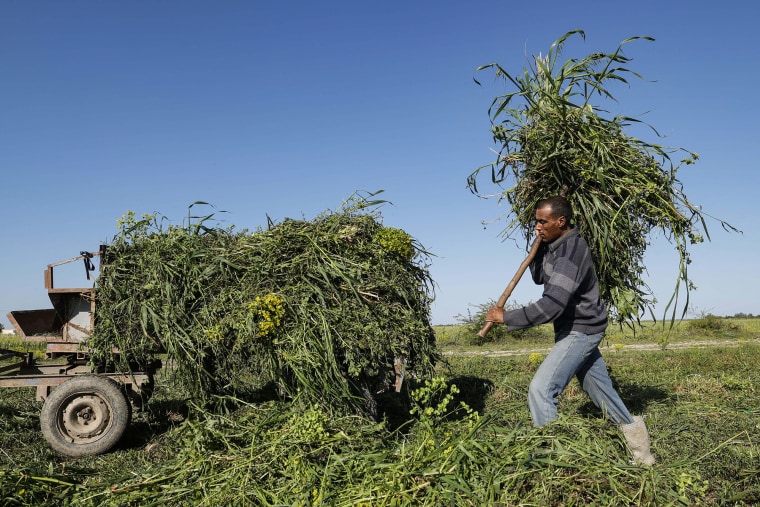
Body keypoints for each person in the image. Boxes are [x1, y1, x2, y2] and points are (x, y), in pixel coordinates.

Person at [485, 195, 655, 466]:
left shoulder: (571, 251)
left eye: (543, 222)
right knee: (601, 392)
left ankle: (558, 464)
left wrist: (507, 317)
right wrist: (538, 248)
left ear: (561, 221)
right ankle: (642, 455)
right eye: (535, 222)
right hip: (574, 328)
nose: (537, 227)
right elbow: (540, 276)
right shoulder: (555, 247)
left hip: (581, 329)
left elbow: (552, 305)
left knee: (541, 391)